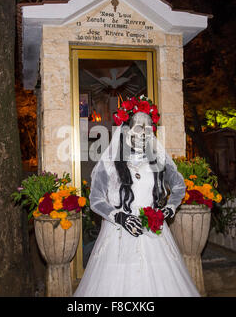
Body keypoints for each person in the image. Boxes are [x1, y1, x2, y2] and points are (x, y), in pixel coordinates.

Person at [73, 98, 199, 297]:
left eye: (148, 128)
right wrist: (120, 217)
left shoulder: (158, 160)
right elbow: (96, 199)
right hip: (118, 235)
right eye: (139, 127)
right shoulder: (109, 163)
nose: (144, 133)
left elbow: (178, 186)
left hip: (154, 235)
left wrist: (169, 208)